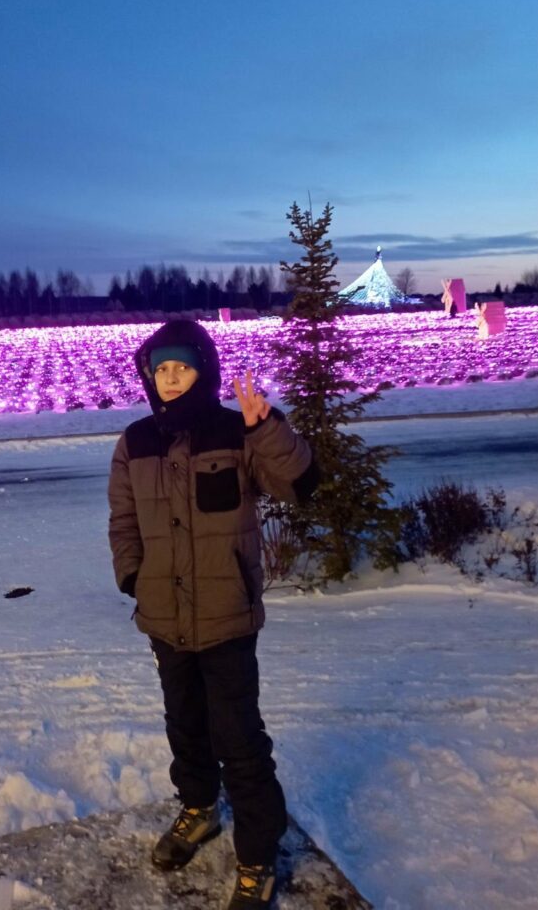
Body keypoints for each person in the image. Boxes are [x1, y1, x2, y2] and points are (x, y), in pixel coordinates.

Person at [107, 318, 318, 909]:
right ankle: (198, 808)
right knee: (185, 725)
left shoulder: (237, 431)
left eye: (183, 366)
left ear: (204, 371)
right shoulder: (134, 442)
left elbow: (300, 484)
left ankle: (258, 856)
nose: (172, 378)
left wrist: (267, 428)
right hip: (165, 618)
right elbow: (124, 521)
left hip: (226, 618)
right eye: (162, 369)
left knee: (240, 741)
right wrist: (134, 577)